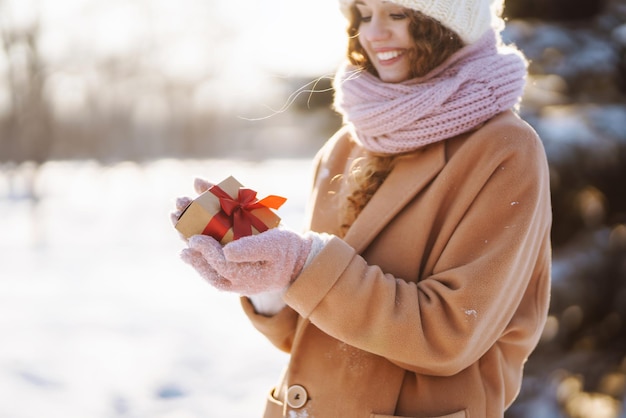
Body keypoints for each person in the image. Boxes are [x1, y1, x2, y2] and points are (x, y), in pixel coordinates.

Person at [172, 0, 552, 416]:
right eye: (365, 15)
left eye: (397, 14)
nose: (373, 33)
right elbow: (312, 332)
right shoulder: (346, 145)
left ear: (447, 23)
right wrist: (266, 279)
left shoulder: (505, 149)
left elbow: (449, 335)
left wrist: (301, 265)